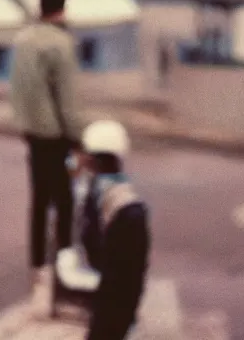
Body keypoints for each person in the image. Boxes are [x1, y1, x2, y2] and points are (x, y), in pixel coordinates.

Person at [9, 0, 84, 295]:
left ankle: (37, 263)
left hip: (30, 131)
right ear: (63, 7)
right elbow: (66, 99)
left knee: (39, 199)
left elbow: (18, 86)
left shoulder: (23, 40)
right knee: (64, 201)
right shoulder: (61, 43)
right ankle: (64, 266)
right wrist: (77, 138)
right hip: (54, 134)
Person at [76, 120, 151, 340]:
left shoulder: (119, 205)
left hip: (113, 296)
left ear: (91, 159)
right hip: (115, 293)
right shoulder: (107, 194)